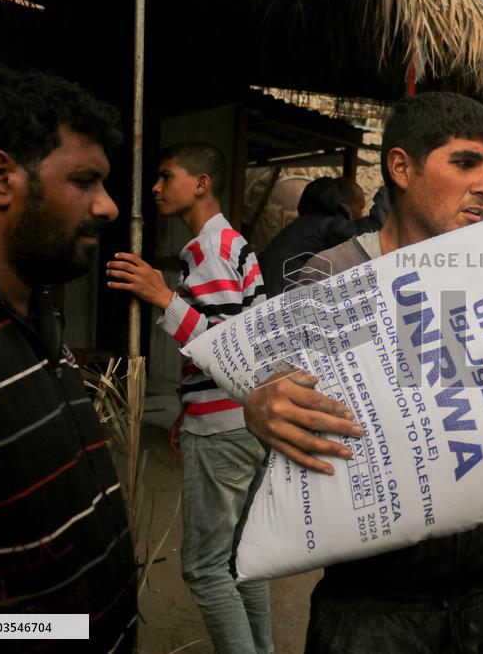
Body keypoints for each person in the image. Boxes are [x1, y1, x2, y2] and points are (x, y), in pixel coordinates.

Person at [244, 92, 483, 653]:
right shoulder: (338, 274)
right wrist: (263, 401)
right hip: (370, 613)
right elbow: (278, 380)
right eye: (464, 162)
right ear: (401, 167)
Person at [0, 67, 136, 649]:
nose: (109, 207)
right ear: (0, 177)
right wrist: (46, 629)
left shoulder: (27, 308)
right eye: (86, 180)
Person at [106, 143, 273, 653]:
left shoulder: (209, 250)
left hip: (223, 428)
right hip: (246, 418)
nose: (155, 188)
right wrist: (186, 407)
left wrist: (162, 297)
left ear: (201, 184)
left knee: (204, 569)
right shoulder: (234, 244)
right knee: (245, 560)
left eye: (165, 176)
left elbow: (225, 345)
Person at [259, 176, 357, 296]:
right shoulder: (331, 225)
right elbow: (363, 240)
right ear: (344, 203)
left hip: (269, 291)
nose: (362, 213)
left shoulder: (303, 224)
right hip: (286, 295)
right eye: (361, 207)